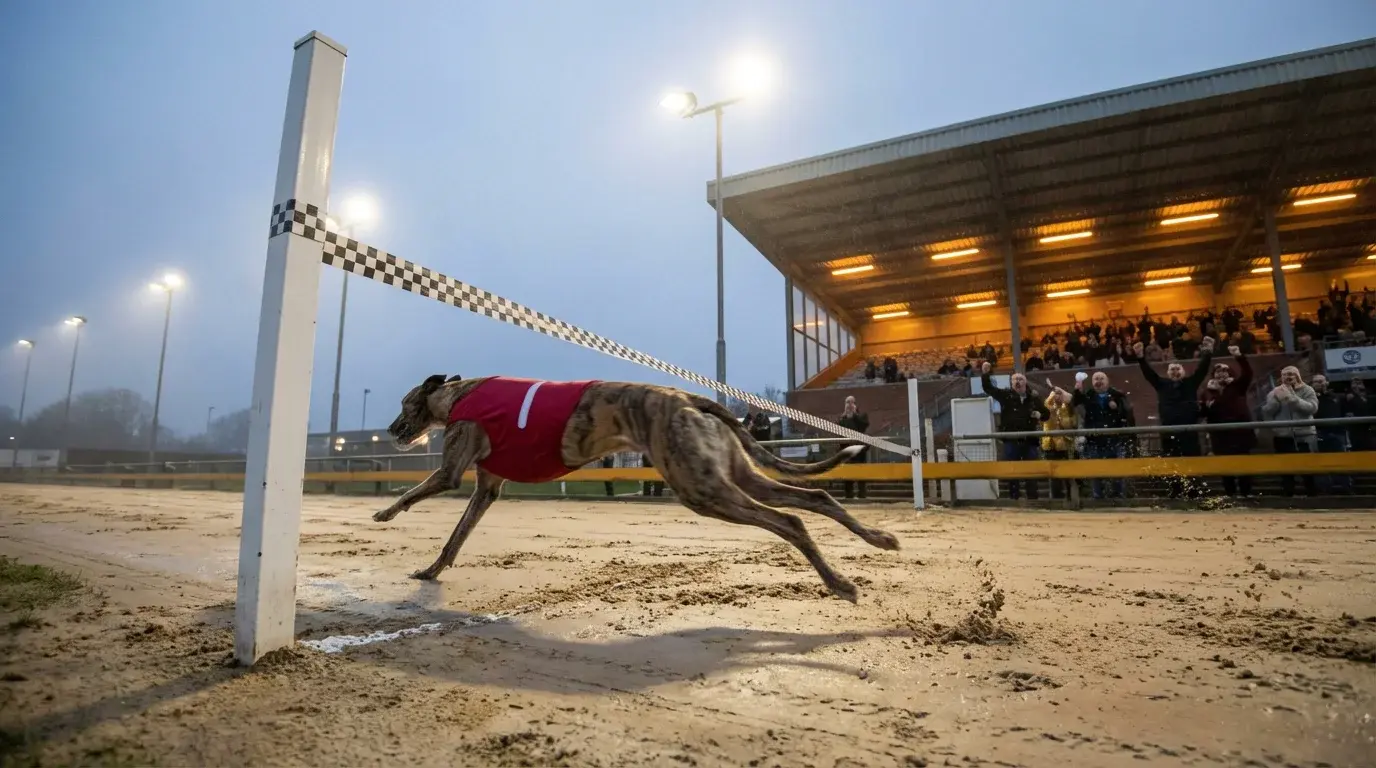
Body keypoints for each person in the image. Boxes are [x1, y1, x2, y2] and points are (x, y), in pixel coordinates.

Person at [1136, 337, 1214, 498]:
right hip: (1169, 431)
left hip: (1189, 431)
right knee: (1171, 462)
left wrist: (1207, 353)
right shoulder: (1162, 384)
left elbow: (1202, 370)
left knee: (1191, 462)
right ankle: (1175, 491)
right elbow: (1149, 374)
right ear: (1168, 372)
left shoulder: (1191, 383)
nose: (1175, 372)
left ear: (1183, 371)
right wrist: (1140, 358)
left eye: (1178, 369)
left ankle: (1194, 492)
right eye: (1172, 369)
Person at [1057, 371, 1130, 499]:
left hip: (1114, 438)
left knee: (1117, 470)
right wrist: (1077, 390)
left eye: (1101, 378)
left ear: (1107, 382)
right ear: (1092, 382)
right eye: (1096, 379)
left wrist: (1117, 408)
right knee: (1095, 470)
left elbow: (1127, 413)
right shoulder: (1089, 395)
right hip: (1094, 439)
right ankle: (1098, 496)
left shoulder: (1117, 395)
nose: (1098, 381)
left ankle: (1118, 495)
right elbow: (1075, 402)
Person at [981, 362, 1047, 500]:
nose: (1018, 381)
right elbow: (989, 388)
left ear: (1025, 382)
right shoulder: (1005, 395)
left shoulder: (1033, 398)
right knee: (1012, 471)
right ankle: (1014, 498)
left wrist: (1039, 415)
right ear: (1011, 383)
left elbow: (1047, 415)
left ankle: (1033, 499)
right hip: (1011, 440)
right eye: (1015, 379)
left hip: (1030, 441)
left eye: (1020, 379)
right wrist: (986, 374)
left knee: (1031, 472)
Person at [1199, 347, 1255, 497]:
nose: (1221, 374)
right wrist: (1206, 404)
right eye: (1218, 371)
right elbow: (1203, 413)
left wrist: (1238, 355)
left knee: (1244, 464)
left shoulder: (1238, 386)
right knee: (1225, 465)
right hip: (1220, 435)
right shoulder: (1207, 392)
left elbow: (1248, 373)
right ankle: (1230, 493)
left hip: (1240, 433)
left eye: (1225, 371)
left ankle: (1246, 492)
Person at [1262, 365, 1318, 497]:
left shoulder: (1308, 390)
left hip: (1304, 435)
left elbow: (1312, 408)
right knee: (1285, 468)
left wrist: (1292, 399)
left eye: (1291, 374)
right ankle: (1288, 494)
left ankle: (1312, 494)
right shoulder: (1274, 392)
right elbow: (1266, 413)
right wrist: (1274, 402)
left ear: (1297, 376)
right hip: (1283, 436)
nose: (1288, 377)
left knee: (1307, 467)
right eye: (1285, 375)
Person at [1311, 374, 1353, 494]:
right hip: (1318, 433)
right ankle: (1324, 489)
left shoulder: (1336, 397)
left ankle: (1346, 487)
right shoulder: (1310, 399)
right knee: (1320, 463)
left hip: (1338, 433)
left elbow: (1346, 412)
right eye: (1316, 382)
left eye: (1321, 381)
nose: (1319, 383)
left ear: (1327, 383)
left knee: (1340, 461)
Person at [1040, 380, 1078, 499]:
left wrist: (1062, 409)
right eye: (1055, 393)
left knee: (1069, 474)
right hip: (1050, 445)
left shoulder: (1068, 408)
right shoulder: (1048, 406)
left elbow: (1071, 424)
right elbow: (1048, 419)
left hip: (1066, 445)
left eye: (1059, 393)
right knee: (1054, 474)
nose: (1057, 396)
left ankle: (1070, 497)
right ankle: (1056, 498)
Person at [838, 396, 870, 500]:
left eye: (851, 402)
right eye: (847, 402)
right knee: (847, 475)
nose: (849, 405)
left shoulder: (862, 416)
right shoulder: (842, 418)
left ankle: (862, 495)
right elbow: (838, 432)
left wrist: (854, 415)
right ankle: (849, 496)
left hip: (860, 450)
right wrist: (845, 417)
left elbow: (863, 426)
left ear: (856, 404)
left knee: (861, 473)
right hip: (847, 451)